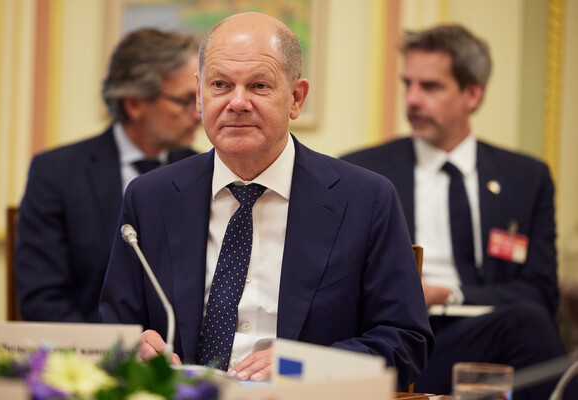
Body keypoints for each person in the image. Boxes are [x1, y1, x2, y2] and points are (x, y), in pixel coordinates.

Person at [100, 12, 433, 389]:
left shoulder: (365, 199)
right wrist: (134, 348)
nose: (237, 102)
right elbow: (116, 330)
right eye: (220, 85)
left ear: (296, 98)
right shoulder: (150, 197)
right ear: (199, 94)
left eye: (259, 86)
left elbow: (406, 341)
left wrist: (302, 366)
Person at [342, 25, 570, 399]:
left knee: (529, 323)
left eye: (430, 87)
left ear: (472, 94)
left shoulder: (525, 178)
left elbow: (540, 292)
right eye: (408, 84)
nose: (412, 100)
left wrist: (448, 293)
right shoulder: (363, 171)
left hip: (492, 331)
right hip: (402, 339)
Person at [16, 28, 201, 323]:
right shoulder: (56, 173)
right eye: (186, 100)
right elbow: (43, 299)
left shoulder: (201, 171)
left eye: (201, 98)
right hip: (89, 346)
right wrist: (107, 349)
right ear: (135, 104)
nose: (199, 113)